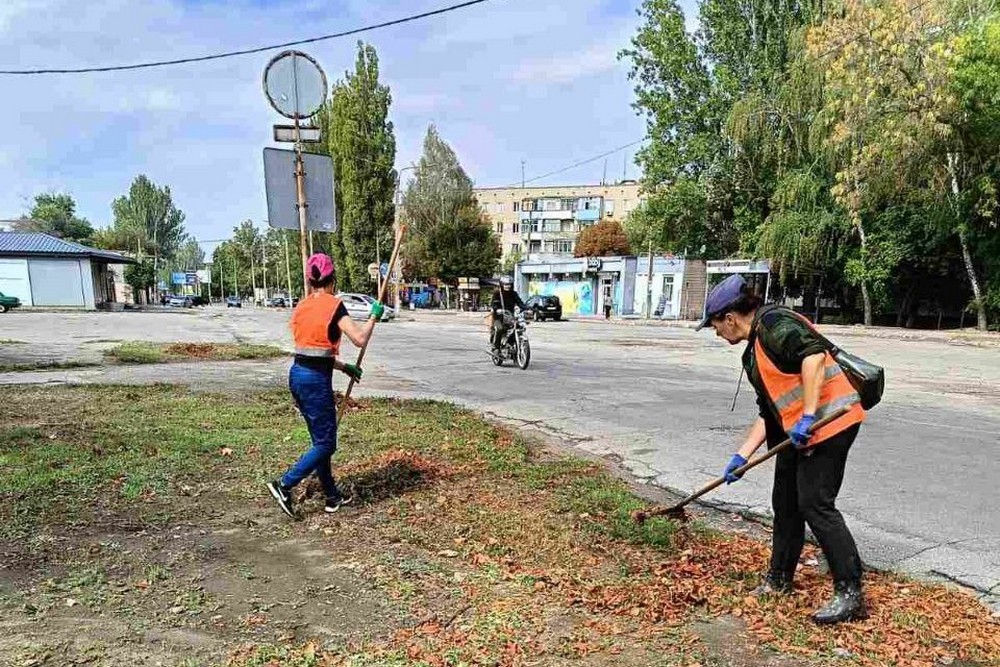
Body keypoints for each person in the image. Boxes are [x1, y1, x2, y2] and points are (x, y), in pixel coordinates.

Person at [698, 274, 867, 625]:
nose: (716, 333)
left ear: (730, 318)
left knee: (815, 504)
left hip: (829, 423)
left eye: (715, 325)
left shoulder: (774, 324)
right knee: (786, 503)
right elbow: (769, 413)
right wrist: (741, 457)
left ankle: (850, 592)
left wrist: (807, 416)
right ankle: (778, 580)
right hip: (797, 433)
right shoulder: (753, 353)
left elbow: (814, 356)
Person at [267, 253, 384, 519]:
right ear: (332, 279)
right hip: (315, 382)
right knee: (326, 444)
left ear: (310, 280)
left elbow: (314, 351)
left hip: (297, 375)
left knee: (319, 441)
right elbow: (359, 339)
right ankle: (284, 484)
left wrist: (344, 368)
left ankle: (332, 496)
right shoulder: (335, 305)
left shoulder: (302, 307)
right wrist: (373, 316)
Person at [490, 276, 525, 353]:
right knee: (500, 329)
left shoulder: (514, 294)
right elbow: (493, 304)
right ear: (502, 284)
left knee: (519, 328)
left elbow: (520, 302)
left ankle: (511, 344)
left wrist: (525, 308)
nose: (507, 286)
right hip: (499, 317)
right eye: (505, 284)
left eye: (509, 284)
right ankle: (496, 347)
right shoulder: (497, 294)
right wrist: (496, 309)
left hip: (511, 317)